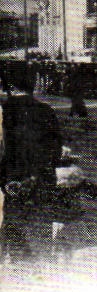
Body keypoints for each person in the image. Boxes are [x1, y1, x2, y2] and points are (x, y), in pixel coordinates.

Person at [2, 72, 65, 259]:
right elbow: (56, 148)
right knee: (41, 230)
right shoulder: (46, 110)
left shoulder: (5, 111)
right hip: (41, 179)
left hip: (12, 180)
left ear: (10, 89)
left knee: (14, 231)